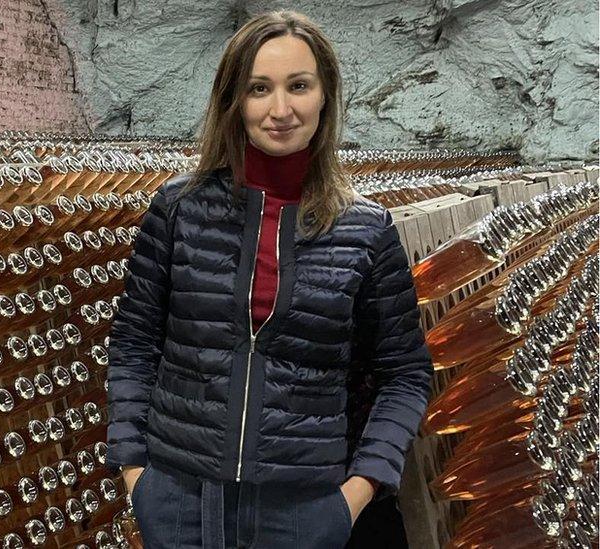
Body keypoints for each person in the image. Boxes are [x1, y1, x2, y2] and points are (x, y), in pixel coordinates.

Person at [105, 10, 434, 549]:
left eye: (298, 86)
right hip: (181, 502)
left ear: (325, 96)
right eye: (260, 88)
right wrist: (136, 475)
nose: (281, 109)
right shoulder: (178, 210)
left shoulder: (365, 231)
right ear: (234, 100)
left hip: (302, 513)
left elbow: (404, 374)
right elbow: (134, 346)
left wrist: (357, 491)